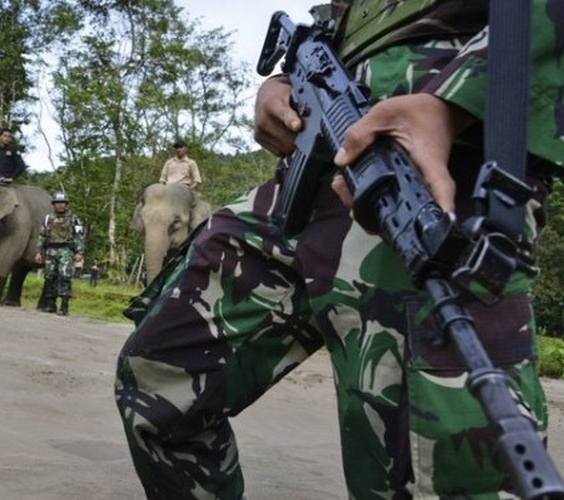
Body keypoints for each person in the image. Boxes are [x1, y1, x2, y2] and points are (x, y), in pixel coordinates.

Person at [115, 1, 564, 498]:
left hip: (433, 177)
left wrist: (455, 101)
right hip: (309, 173)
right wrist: (282, 86)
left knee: (436, 473)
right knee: (159, 380)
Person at [35, 192, 85, 316]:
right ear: (53, 204)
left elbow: (79, 236)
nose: (60, 205)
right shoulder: (48, 218)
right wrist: (39, 252)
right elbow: (42, 235)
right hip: (51, 250)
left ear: (66, 204)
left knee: (64, 276)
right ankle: (50, 304)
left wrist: (79, 252)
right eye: (57, 203)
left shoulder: (74, 219)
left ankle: (64, 306)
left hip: (66, 250)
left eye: (62, 203)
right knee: (49, 276)